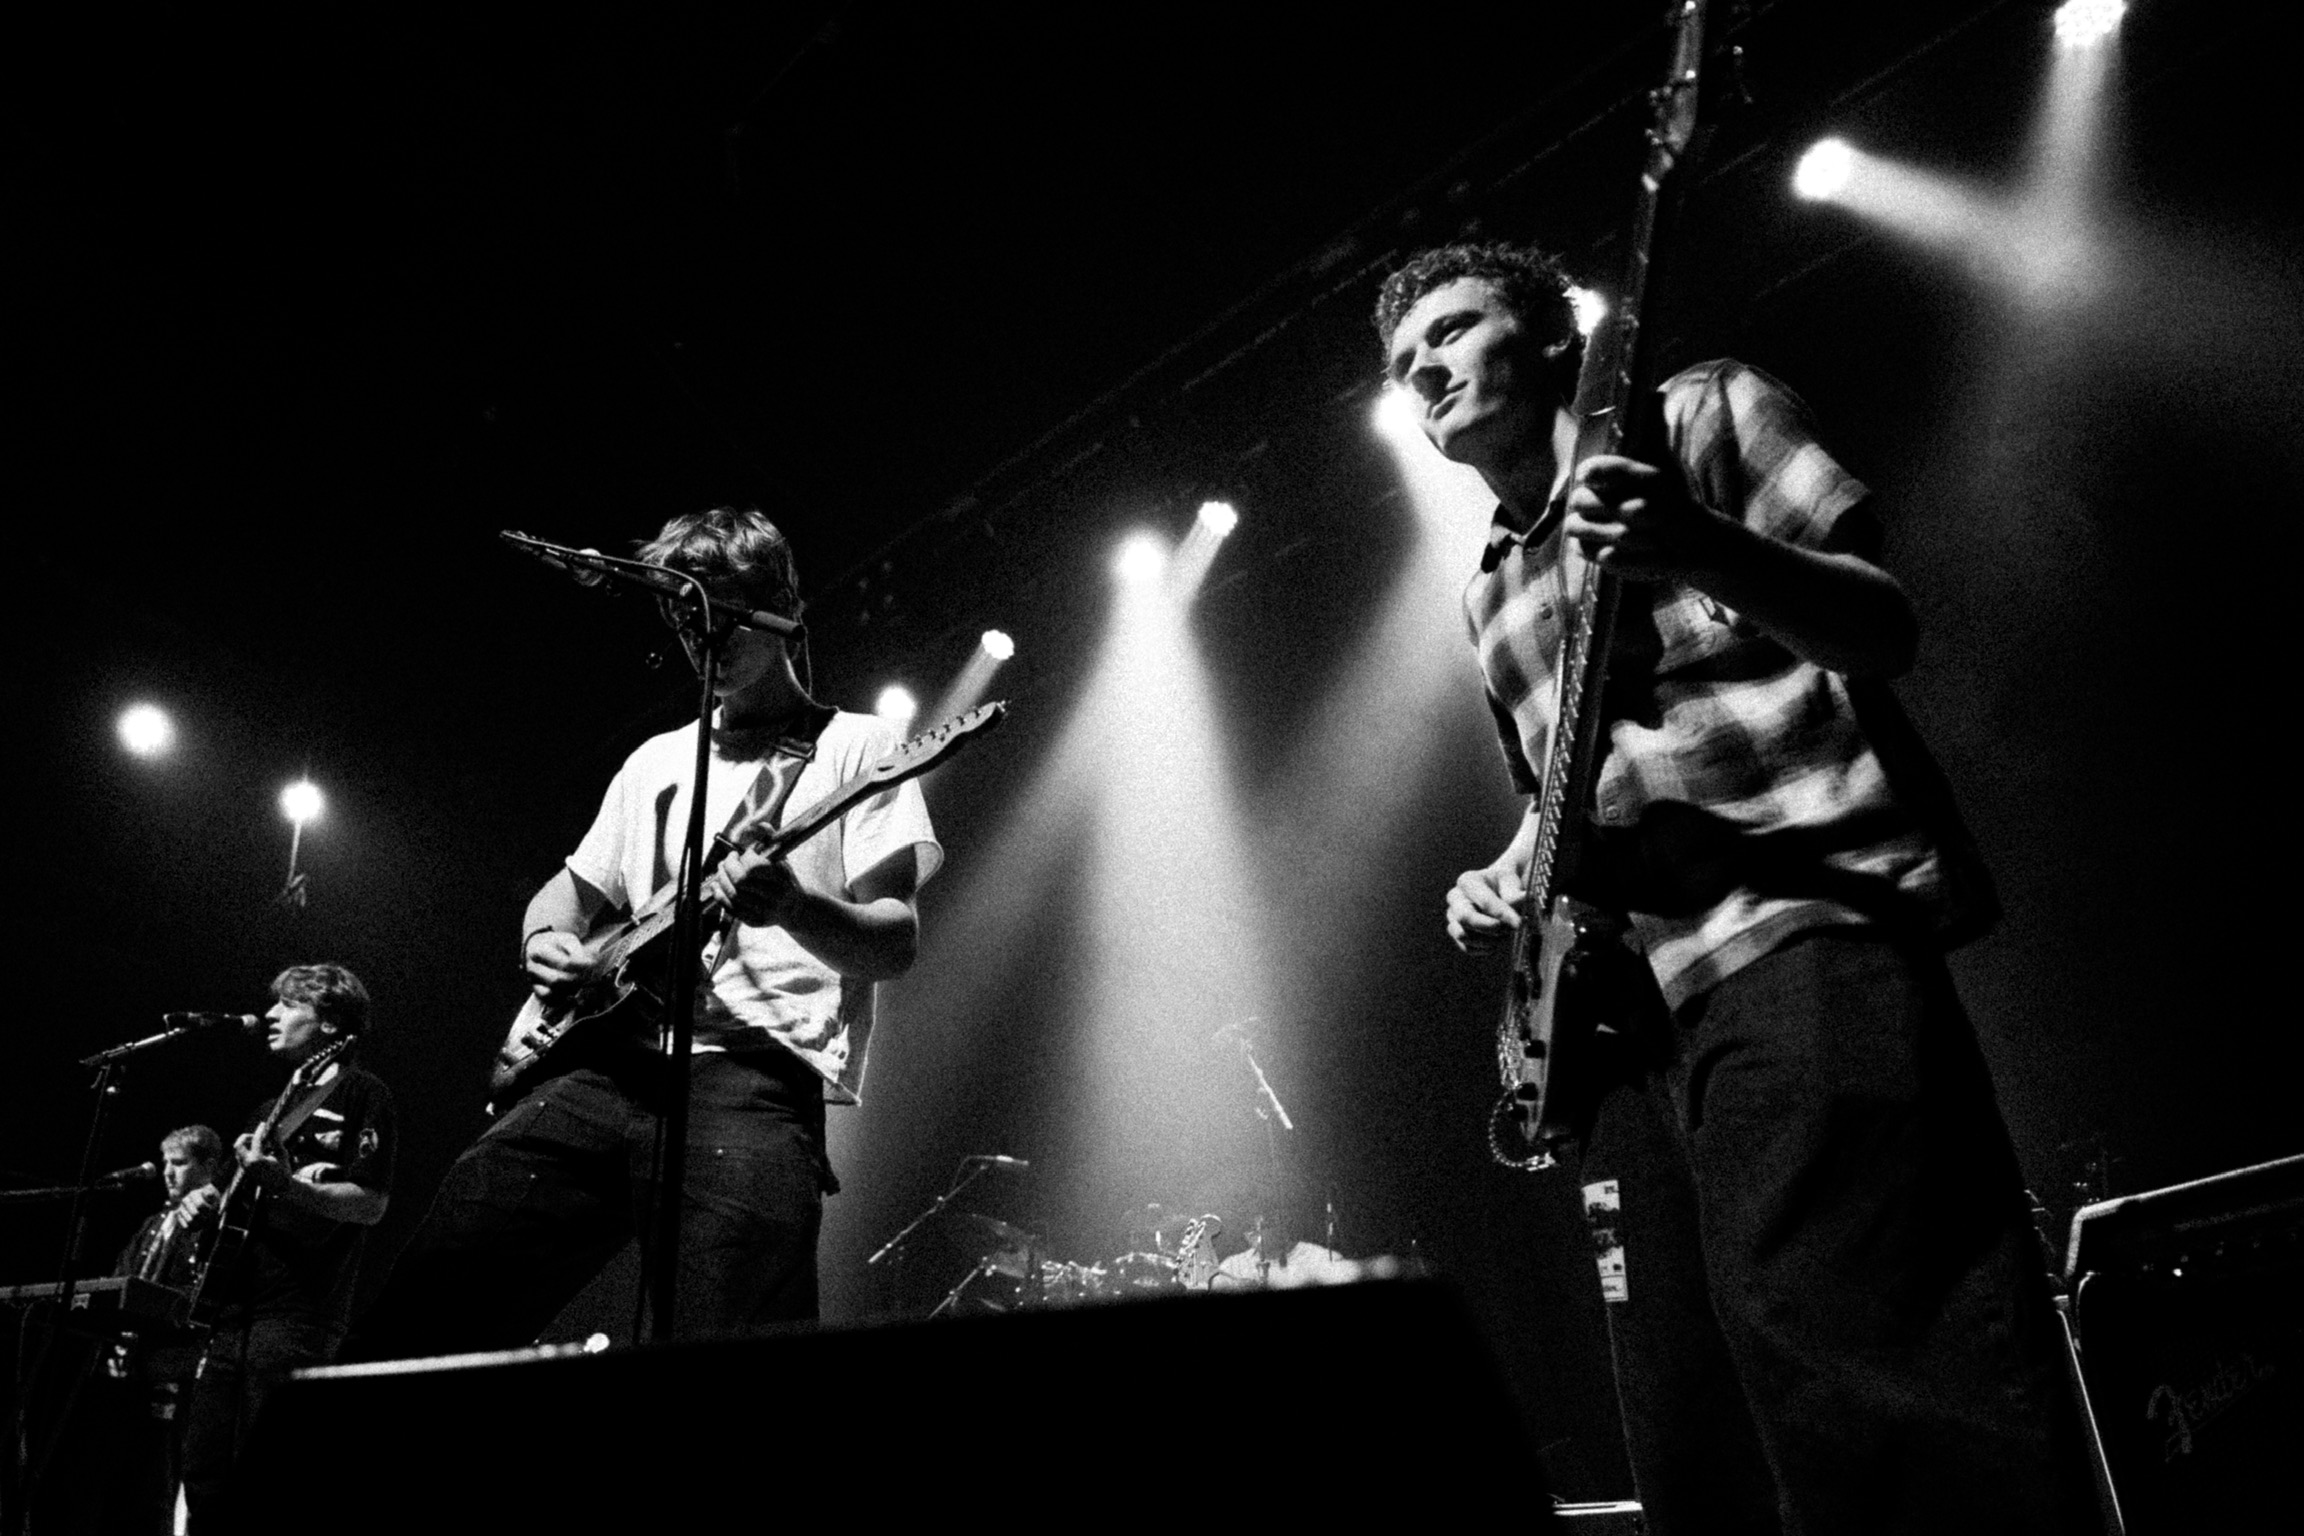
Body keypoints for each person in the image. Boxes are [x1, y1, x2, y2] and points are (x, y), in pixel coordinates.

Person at [1374, 243, 2094, 1534]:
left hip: (1801, 930)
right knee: (1692, 1405)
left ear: (1549, 340)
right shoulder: (1486, 591)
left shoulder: (1696, 412)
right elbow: (1563, 798)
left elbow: (1880, 627)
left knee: (1860, 1337)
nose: (1424, 366)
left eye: (1454, 328)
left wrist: (1693, 541)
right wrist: (1499, 874)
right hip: (1631, 1028)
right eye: (1403, 360)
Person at [355, 505, 939, 1356]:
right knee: (430, 1304)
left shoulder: (858, 745)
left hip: (752, 1079)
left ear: (781, 603)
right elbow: (569, 890)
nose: (704, 633)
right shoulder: (658, 760)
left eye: (726, 609)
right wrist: (543, 942)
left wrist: (793, 906)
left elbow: (894, 941)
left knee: (731, 1345)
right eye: (683, 613)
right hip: (601, 1069)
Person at [180, 964, 395, 1531]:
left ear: (328, 1022)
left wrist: (289, 1185)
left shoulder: (362, 1093)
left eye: (288, 1005)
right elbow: (224, 1201)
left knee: (271, 1472)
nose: (271, 1015)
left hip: (298, 1315)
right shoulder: (262, 1114)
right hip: (230, 1314)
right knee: (203, 1470)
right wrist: (200, 1205)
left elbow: (372, 1203)